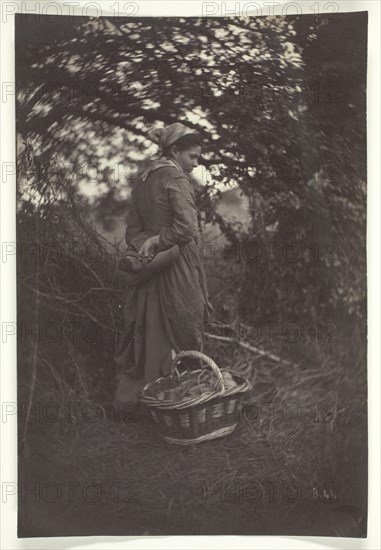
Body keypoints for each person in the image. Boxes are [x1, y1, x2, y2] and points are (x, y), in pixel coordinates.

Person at [114, 122, 212, 405]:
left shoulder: (144, 180)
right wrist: (158, 242)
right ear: (174, 151)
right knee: (186, 323)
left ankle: (152, 399)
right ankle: (184, 403)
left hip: (149, 265)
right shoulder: (176, 179)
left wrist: (144, 250)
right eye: (192, 156)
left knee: (150, 327)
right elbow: (186, 230)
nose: (196, 163)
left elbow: (132, 230)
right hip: (176, 262)